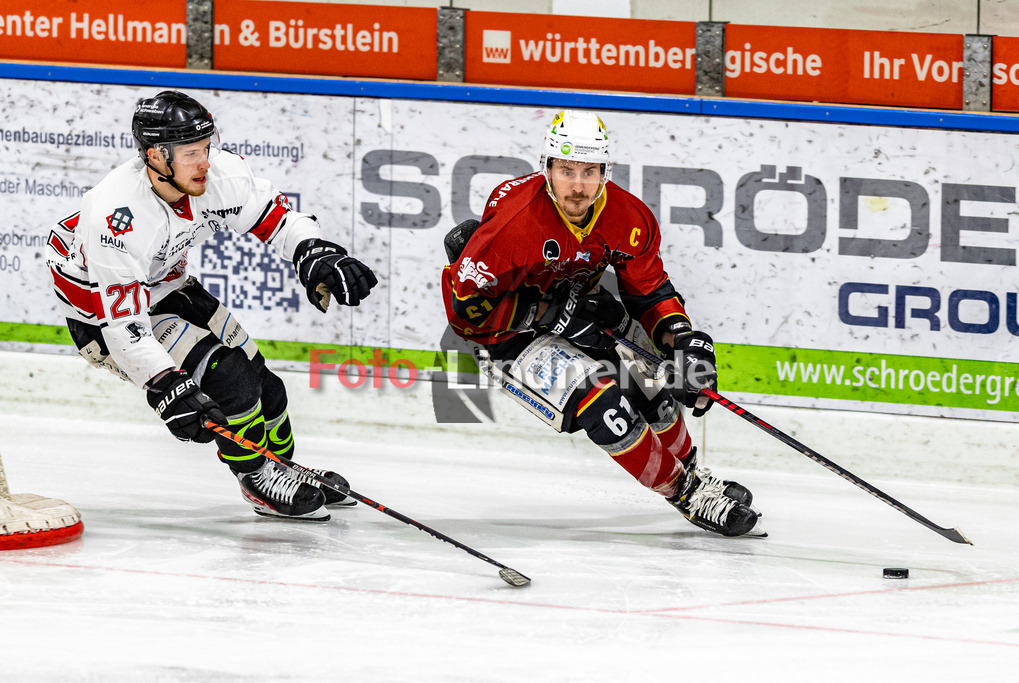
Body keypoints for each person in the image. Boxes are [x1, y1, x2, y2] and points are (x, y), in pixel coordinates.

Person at [46, 90, 377, 521]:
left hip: (171, 284)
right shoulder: (115, 214)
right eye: (190, 152)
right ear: (154, 156)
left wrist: (314, 252)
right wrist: (163, 383)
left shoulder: (218, 173)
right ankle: (256, 478)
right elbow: (125, 327)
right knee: (231, 378)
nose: (205, 161)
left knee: (267, 385)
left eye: (206, 146)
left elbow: (277, 220)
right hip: (103, 316)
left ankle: (282, 468)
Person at [441, 110, 760, 537]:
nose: (577, 185)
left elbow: (649, 290)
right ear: (547, 168)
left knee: (647, 383)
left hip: (580, 308)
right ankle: (685, 492)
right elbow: (466, 315)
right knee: (602, 399)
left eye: (589, 172)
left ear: (605, 172)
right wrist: (544, 314)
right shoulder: (514, 226)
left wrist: (680, 339)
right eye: (567, 170)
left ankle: (693, 472)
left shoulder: (629, 217)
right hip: (509, 337)